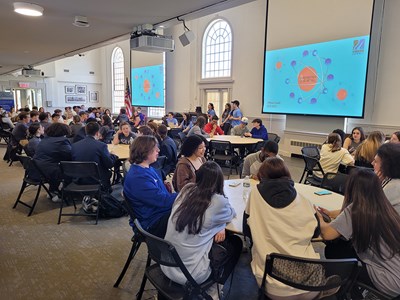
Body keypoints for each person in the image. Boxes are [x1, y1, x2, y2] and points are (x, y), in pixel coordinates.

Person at [245, 158, 320, 299]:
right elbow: (316, 232)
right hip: (311, 284)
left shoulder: (255, 194)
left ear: (261, 176)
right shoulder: (303, 200)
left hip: (273, 285)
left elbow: (247, 230)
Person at [317, 169, 400, 297]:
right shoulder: (385, 207)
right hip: (396, 272)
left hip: (388, 280)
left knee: (334, 250)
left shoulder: (356, 210)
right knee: (340, 247)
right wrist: (331, 213)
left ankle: (345, 291)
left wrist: (320, 218)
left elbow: (327, 234)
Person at [161, 161, 242, 289]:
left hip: (166, 264)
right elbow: (231, 213)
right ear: (219, 181)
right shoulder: (217, 201)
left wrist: (219, 226)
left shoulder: (187, 189)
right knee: (236, 243)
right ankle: (217, 286)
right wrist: (220, 226)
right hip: (191, 274)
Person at [124, 135, 177, 238]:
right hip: (151, 222)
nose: (158, 150)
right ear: (144, 151)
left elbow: (163, 197)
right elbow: (163, 201)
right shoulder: (138, 178)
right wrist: (186, 195)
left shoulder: (146, 169)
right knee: (192, 216)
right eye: (154, 148)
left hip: (157, 213)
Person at [31, 123, 72, 202]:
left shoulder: (44, 139)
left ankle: (53, 191)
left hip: (37, 170)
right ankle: (63, 195)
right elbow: (70, 155)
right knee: (71, 170)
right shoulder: (62, 141)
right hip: (47, 172)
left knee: (56, 165)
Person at [71, 122, 116, 191]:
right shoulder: (101, 146)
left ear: (85, 131)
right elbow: (109, 164)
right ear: (98, 133)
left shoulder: (74, 146)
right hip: (97, 179)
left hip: (79, 179)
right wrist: (113, 155)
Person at [372, 143, 400, 215]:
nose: (372, 163)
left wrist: (374, 184)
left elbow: (367, 208)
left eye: (375, 161)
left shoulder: (393, 186)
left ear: (386, 166)